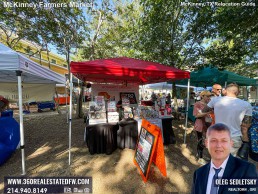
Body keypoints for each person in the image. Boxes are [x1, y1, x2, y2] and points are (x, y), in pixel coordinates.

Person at [191, 123, 257, 194]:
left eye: (224, 141)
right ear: (206, 143)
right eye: (214, 140)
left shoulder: (246, 170)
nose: (219, 145)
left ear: (231, 143)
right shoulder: (199, 173)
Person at [203, 83, 253, 160]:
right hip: (234, 137)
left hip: (217, 136)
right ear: (238, 93)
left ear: (225, 91)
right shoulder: (246, 104)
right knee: (230, 162)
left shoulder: (215, 100)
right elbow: (245, 125)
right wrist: (245, 140)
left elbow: (204, 110)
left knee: (217, 160)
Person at [193, 90, 212, 165]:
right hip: (200, 125)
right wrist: (208, 113)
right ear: (202, 96)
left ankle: (201, 155)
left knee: (207, 141)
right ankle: (200, 158)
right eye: (207, 96)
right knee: (201, 141)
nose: (209, 98)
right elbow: (197, 115)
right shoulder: (197, 104)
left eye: (209, 96)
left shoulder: (210, 104)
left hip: (208, 125)